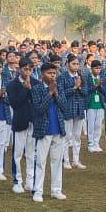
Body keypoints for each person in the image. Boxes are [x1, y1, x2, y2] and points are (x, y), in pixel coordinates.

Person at [30, 62, 69, 202]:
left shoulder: (59, 87)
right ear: (42, 74)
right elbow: (39, 109)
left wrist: (56, 94)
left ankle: (56, 190)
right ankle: (38, 191)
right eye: (49, 73)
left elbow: (65, 107)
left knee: (57, 162)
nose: (52, 76)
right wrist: (50, 93)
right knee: (40, 162)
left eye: (54, 73)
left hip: (58, 129)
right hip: (44, 130)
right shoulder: (37, 89)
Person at [6, 58, 37, 194]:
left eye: (30, 69)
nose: (28, 72)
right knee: (17, 153)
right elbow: (15, 103)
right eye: (25, 69)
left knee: (31, 153)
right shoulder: (12, 85)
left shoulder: (36, 83)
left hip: (33, 122)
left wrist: (31, 88)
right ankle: (17, 181)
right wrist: (25, 89)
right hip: (20, 121)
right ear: (19, 69)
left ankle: (30, 180)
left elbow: (37, 101)